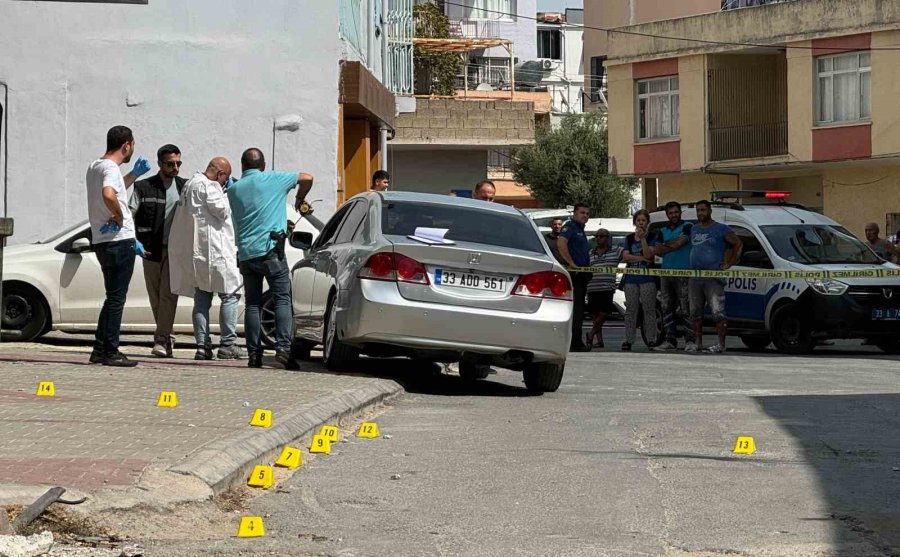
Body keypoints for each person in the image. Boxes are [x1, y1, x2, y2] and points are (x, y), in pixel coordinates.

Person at [228, 148, 314, 368]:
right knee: (282, 299)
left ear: (242, 166)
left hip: (247, 254)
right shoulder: (273, 179)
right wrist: (300, 197)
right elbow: (307, 177)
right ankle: (283, 350)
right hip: (271, 251)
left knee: (253, 304)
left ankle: (253, 355)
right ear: (263, 165)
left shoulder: (234, 190)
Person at [86, 125, 152, 367]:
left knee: (111, 297)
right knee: (117, 299)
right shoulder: (111, 168)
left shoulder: (96, 166)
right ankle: (111, 350)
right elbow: (109, 194)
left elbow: (115, 189)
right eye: (132, 145)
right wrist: (120, 217)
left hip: (103, 241)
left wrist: (133, 175)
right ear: (126, 145)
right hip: (117, 241)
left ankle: (100, 349)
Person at [169, 157, 246, 361]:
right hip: (216, 250)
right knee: (230, 293)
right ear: (220, 174)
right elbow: (222, 211)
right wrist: (228, 192)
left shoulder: (190, 184)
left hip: (198, 254)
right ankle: (228, 344)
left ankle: (202, 346)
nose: (225, 182)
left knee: (202, 298)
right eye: (225, 178)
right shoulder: (210, 186)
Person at [130, 144, 186, 357]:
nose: (175, 168)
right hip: (150, 249)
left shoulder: (185, 187)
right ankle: (167, 338)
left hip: (175, 251)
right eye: (170, 164)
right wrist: (134, 241)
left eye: (178, 163)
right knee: (155, 297)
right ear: (160, 164)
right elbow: (130, 212)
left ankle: (161, 340)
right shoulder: (144, 187)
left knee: (168, 296)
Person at [688, 200, 743, 354]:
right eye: (698, 210)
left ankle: (721, 344)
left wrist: (729, 263)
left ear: (710, 211)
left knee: (718, 312)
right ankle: (697, 342)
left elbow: (737, 244)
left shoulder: (721, 229)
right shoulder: (694, 229)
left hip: (713, 278)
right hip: (694, 277)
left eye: (703, 210)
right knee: (695, 312)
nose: (700, 213)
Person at [651, 201, 693, 351]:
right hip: (666, 273)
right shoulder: (662, 230)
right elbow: (656, 250)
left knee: (686, 308)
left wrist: (666, 245)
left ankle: (690, 340)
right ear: (667, 214)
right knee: (666, 307)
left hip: (684, 273)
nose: (674, 215)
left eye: (676, 212)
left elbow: (681, 243)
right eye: (671, 213)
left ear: (680, 212)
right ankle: (670, 340)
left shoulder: (688, 226)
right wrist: (671, 245)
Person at [621, 210, 658, 351]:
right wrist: (641, 258)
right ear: (634, 222)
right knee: (631, 310)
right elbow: (626, 256)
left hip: (647, 278)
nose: (641, 223)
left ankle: (651, 339)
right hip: (631, 279)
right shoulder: (629, 238)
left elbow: (649, 255)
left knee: (649, 309)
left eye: (643, 220)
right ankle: (629, 339)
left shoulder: (653, 237)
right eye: (638, 220)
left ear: (647, 222)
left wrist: (643, 239)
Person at [557, 203, 592, 352]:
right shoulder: (570, 226)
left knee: (579, 309)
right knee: (575, 309)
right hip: (573, 274)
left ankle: (575, 339)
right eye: (582, 212)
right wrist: (571, 263)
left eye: (587, 213)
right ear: (575, 213)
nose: (585, 215)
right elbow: (561, 242)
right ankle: (574, 341)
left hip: (581, 274)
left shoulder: (580, 230)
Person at [585, 229, 623, 350]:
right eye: (597, 236)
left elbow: (627, 255)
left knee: (605, 312)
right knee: (595, 315)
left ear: (607, 238)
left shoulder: (616, 251)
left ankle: (590, 334)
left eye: (601, 236)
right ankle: (599, 340)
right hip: (592, 287)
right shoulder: (590, 253)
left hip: (607, 287)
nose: (598, 238)